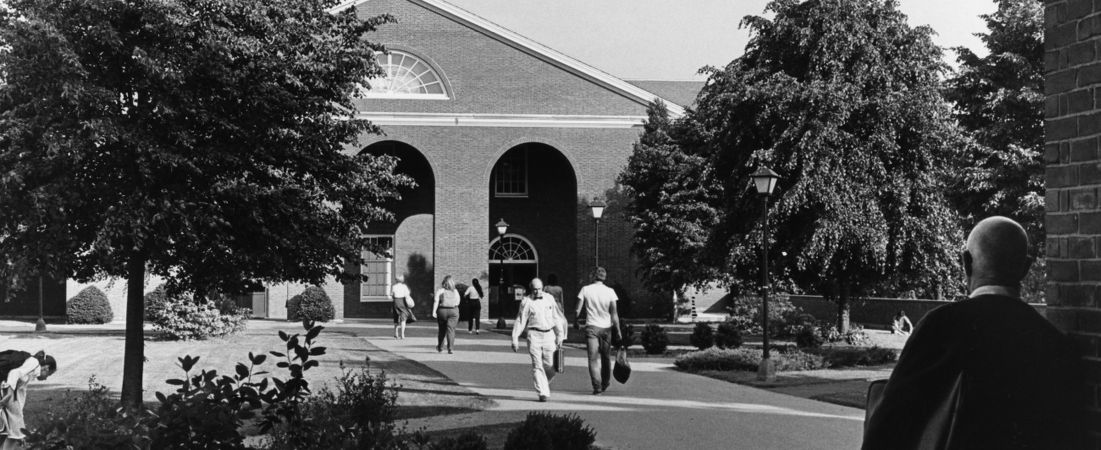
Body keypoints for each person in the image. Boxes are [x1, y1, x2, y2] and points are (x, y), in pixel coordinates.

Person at [863, 216, 1084, 450]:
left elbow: (889, 421)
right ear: (1026, 267)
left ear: (966, 262)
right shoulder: (1054, 341)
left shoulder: (940, 326)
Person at [511, 278, 566, 402]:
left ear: (543, 288)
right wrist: (515, 338)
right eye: (535, 290)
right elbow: (520, 320)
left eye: (539, 289)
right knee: (537, 365)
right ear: (531, 290)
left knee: (551, 366)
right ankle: (542, 392)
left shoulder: (549, 299)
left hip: (549, 335)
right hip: (534, 335)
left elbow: (556, 317)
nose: (537, 292)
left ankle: (543, 384)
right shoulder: (526, 301)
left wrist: (560, 334)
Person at [574, 266, 622, 395]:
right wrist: (617, 330)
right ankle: (605, 383)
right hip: (606, 328)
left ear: (593, 276)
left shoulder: (585, 289)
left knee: (593, 358)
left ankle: (597, 386)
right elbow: (614, 314)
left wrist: (576, 320)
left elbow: (577, 309)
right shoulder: (610, 291)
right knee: (606, 357)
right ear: (604, 277)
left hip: (591, 328)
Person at [0, 350, 57, 450]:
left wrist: (19, 411)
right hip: (7, 394)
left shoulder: (31, 370)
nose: (46, 378)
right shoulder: (34, 363)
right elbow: (14, 373)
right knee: (15, 430)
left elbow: (21, 393)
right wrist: (9, 393)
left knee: (10, 430)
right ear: (47, 368)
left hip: (9, 397)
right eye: (48, 375)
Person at [432, 275, 461, 354]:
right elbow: (458, 302)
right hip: (453, 311)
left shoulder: (440, 291)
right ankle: (450, 348)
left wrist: (434, 311)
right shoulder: (455, 291)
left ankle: (440, 347)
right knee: (451, 330)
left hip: (442, 311)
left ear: (444, 283)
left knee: (442, 330)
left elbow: (436, 301)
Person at [391, 275, 415, 339]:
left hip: (396, 302)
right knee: (403, 319)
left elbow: (392, 295)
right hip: (403, 302)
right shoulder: (404, 286)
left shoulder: (394, 286)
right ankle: (402, 334)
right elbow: (407, 294)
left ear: (396, 280)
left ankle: (396, 333)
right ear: (402, 280)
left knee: (396, 318)